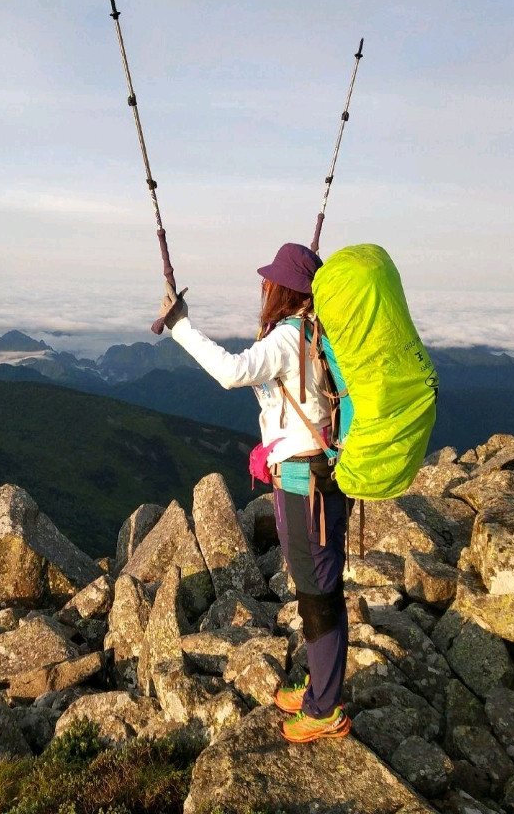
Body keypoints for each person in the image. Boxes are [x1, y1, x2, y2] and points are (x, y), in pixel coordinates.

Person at [158, 242, 351, 744]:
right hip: (313, 478)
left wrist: (180, 326)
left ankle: (326, 709)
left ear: (283, 290)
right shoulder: (312, 331)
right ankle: (319, 688)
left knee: (318, 592)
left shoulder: (290, 338)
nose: (262, 288)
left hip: (306, 482)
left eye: (269, 282)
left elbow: (232, 372)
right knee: (315, 585)